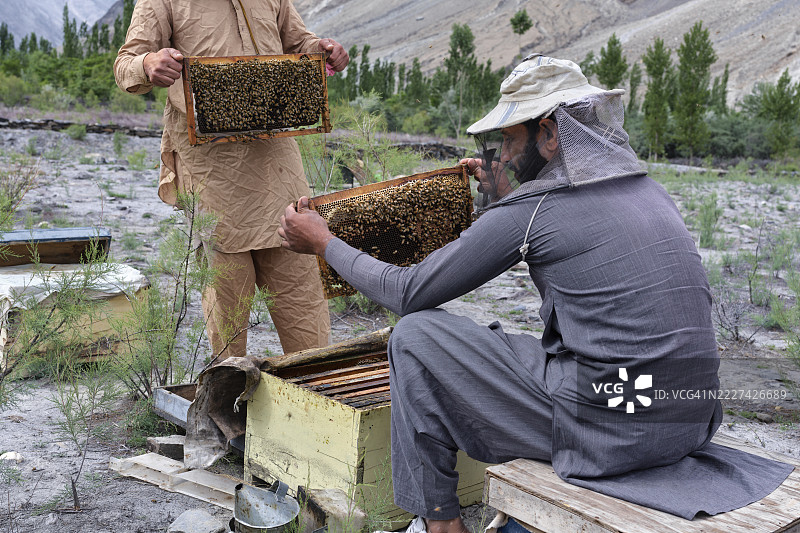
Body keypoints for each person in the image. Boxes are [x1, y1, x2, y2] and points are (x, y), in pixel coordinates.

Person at [278, 54, 792, 531]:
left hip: (614, 431)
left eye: (508, 140)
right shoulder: (647, 190)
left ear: (548, 134)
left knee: (415, 337)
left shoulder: (537, 209)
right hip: (688, 419)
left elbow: (412, 291)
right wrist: (496, 197)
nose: (499, 155)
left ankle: (439, 521)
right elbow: (538, 224)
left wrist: (326, 243)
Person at [114, 0, 349, 359]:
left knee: (303, 297)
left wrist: (323, 50)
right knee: (228, 314)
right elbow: (125, 64)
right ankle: (229, 405)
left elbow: (300, 42)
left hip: (278, 165)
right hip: (214, 176)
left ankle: (314, 396)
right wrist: (148, 64)